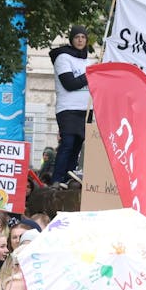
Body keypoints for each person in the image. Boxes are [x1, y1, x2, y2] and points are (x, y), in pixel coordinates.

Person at [48, 26, 90, 188]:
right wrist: (90, 74)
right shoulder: (63, 58)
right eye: (77, 37)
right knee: (68, 143)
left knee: (78, 145)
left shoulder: (87, 61)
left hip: (85, 109)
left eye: (83, 37)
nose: (80, 40)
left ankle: (68, 178)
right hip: (68, 109)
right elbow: (70, 83)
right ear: (72, 39)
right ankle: (57, 179)